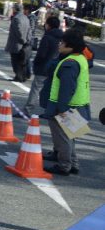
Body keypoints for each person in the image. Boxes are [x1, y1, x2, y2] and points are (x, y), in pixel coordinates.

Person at [39, 29, 92, 176]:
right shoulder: (81, 58)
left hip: (64, 107)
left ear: (70, 46)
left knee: (63, 138)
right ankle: (73, 164)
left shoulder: (69, 63)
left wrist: (62, 108)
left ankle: (64, 166)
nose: (59, 44)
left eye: (62, 42)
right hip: (78, 104)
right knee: (70, 136)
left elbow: (66, 88)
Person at [23, 15, 63, 117]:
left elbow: (41, 54)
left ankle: (27, 110)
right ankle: (49, 111)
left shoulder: (47, 37)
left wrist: (35, 63)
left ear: (48, 25)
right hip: (56, 67)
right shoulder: (62, 38)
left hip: (44, 67)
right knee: (51, 90)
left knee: (36, 89)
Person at [4, 3, 33, 82]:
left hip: (16, 44)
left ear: (15, 9)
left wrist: (23, 40)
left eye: (13, 8)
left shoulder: (16, 18)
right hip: (24, 43)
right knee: (22, 62)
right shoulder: (25, 17)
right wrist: (27, 40)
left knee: (15, 62)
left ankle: (19, 77)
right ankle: (22, 76)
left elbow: (18, 31)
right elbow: (29, 30)